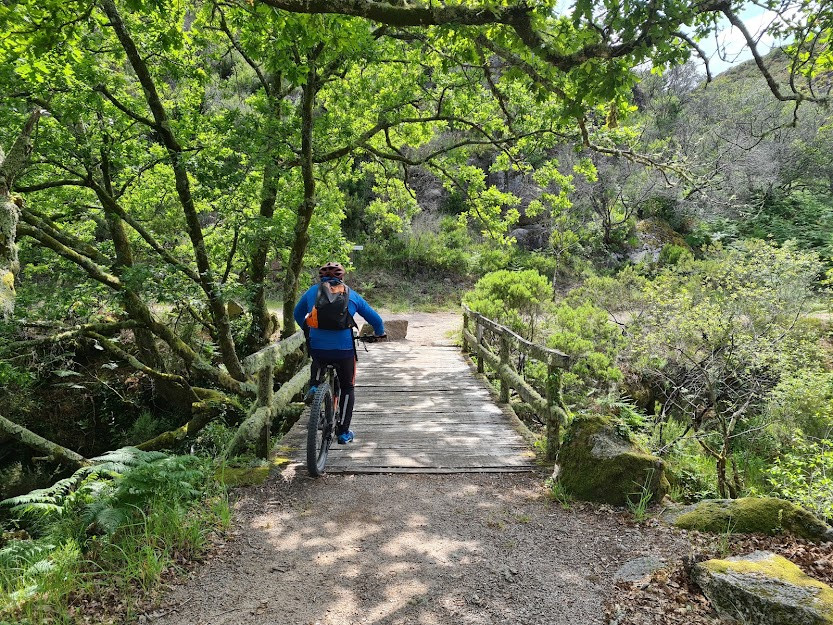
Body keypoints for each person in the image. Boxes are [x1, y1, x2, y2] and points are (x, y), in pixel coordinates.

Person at [293, 262, 385, 444]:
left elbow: (297, 313)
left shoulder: (312, 292)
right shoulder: (352, 295)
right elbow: (376, 319)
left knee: (318, 355)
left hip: (318, 347)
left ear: (321, 278)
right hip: (344, 351)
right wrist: (379, 333)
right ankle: (343, 432)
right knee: (347, 387)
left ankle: (314, 385)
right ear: (341, 277)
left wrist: (308, 329)